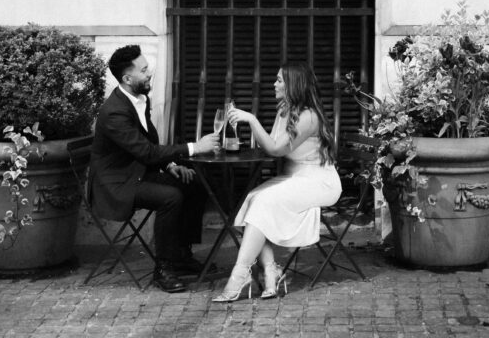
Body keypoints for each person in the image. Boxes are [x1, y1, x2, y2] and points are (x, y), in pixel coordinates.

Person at [89, 44, 219, 293]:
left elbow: (146, 144)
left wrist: (170, 166)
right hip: (116, 183)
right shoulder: (114, 112)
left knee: (196, 183)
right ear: (127, 78)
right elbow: (145, 152)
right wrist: (194, 147)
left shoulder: (140, 99)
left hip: (136, 172)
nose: (151, 73)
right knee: (170, 197)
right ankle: (164, 268)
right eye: (144, 70)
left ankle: (181, 255)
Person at [212, 63, 342, 302]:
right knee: (253, 199)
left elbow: (274, 149)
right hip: (296, 177)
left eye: (279, 80)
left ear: (294, 85)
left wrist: (251, 119)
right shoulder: (286, 110)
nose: (274, 84)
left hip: (319, 182)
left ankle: (239, 276)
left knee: (263, 200)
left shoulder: (309, 117)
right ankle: (271, 271)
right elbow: (271, 143)